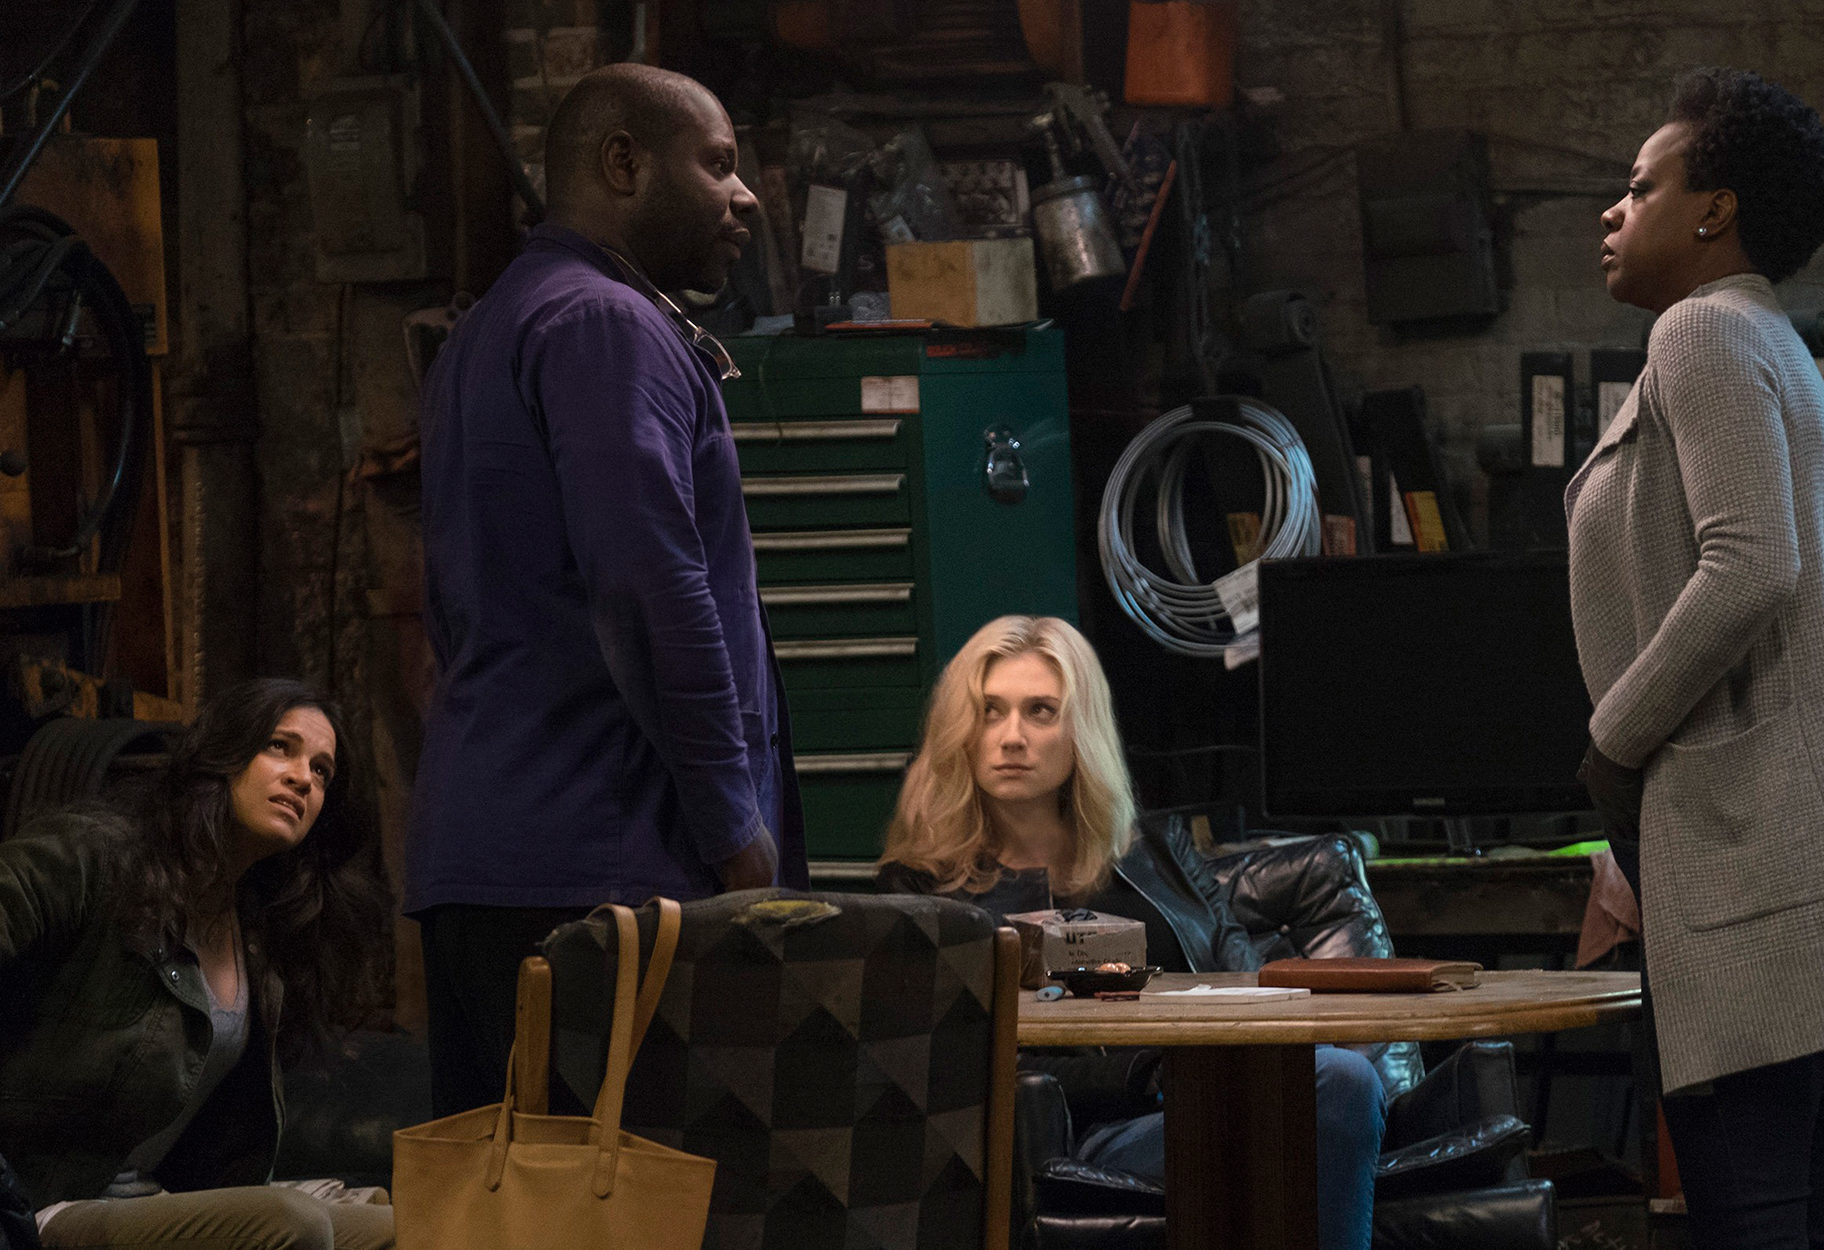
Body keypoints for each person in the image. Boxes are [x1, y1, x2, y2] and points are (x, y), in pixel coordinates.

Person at [407, 61, 807, 1117]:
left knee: (509, 1193)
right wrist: (736, 832)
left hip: (494, 858)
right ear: (623, 164)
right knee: (648, 1195)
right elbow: (650, 587)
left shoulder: (488, 329)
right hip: (603, 873)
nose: (745, 196)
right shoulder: (604, 325)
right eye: (717, 164)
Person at [1571, 67, 1824, 1249]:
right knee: (1822, 1213)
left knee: (1751, 1221)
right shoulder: (1778, 346)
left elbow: (1751, 564)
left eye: (1641, 186)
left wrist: (1617, 740)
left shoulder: (1699, 330)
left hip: (1746, 868)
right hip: (1818, 873)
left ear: (1715, 210)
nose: (1614, 210)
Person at [877, 616, 1385, 1250]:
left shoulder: (1155, 853)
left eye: (1040, 711)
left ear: (1081, 729)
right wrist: (1144, 1071)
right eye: (989, 712)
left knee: (1346, 1079)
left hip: (1214, 1098)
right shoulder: (922, 888)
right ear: (960, 730)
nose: (1011, 738)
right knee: (1336, 1086)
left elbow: (1250, 983)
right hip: (1072, 1135)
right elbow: (950, 1061)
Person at [0, 679, 392, 1250]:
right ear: (223, 752)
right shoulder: (94, 854)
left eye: (322, 770)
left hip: (158, 1201)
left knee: (409, 1227)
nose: (303, 778)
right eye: (279, 747)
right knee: (294, 1223)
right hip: (45, 1202)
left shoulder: (256, 928)